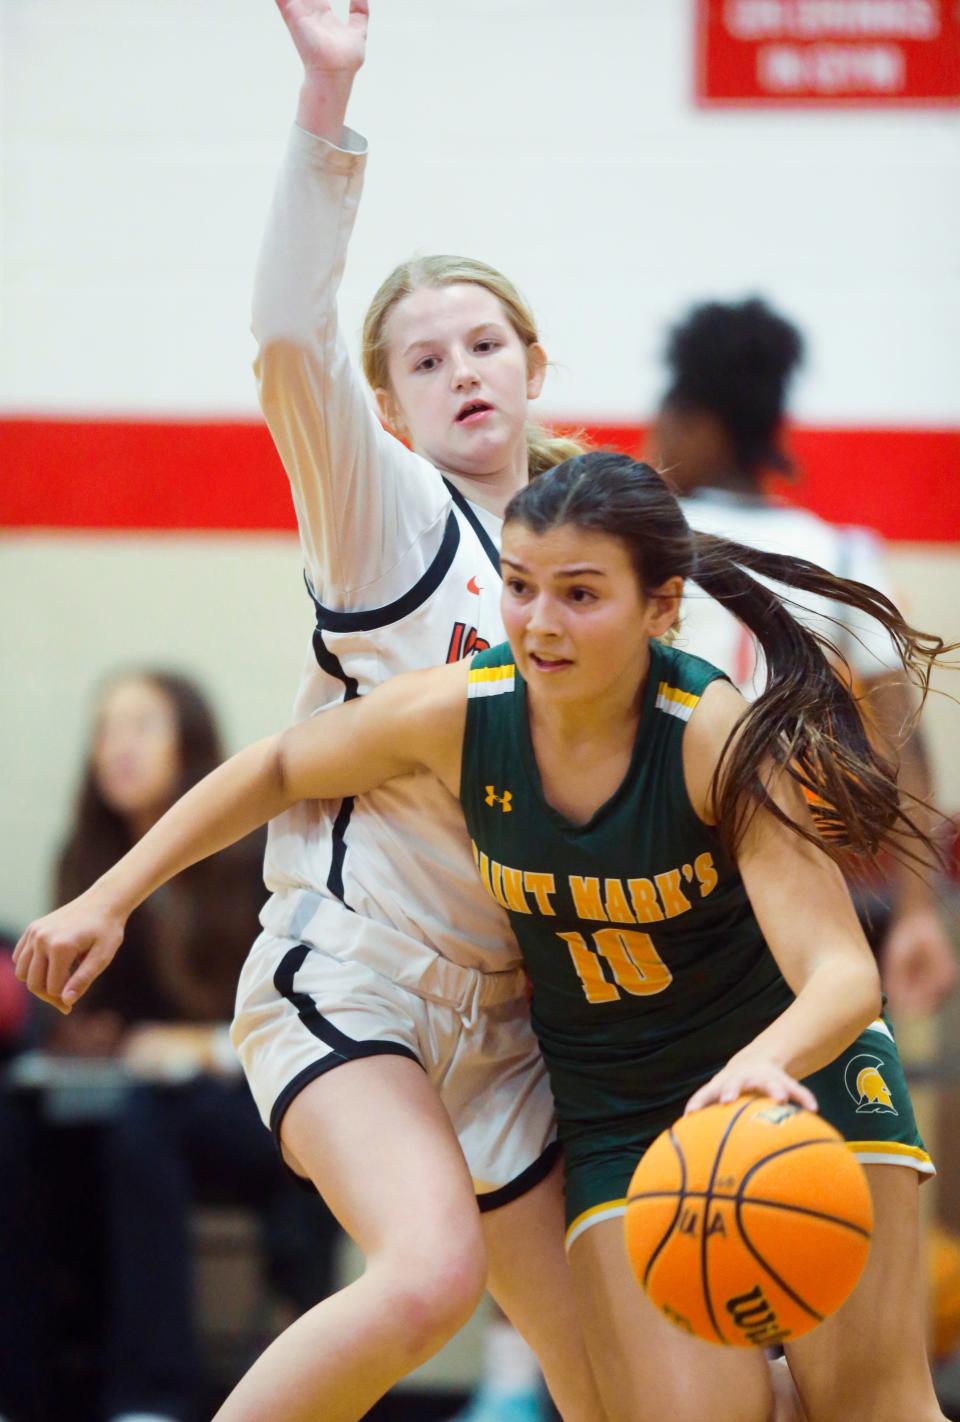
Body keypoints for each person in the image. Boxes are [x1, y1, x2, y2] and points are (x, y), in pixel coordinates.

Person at [16, 452, 957, 1422]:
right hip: (624, 1118)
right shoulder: (469, 711)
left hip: (794, 1077)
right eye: (519, 587)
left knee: (869, 1404)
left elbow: (844, 976)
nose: (541, 623)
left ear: (662, 608)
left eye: (581, 594)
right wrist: (110, 897)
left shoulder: (714, 736)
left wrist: (757, 1068)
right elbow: (282, 767)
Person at [35, 3, 603, 1420]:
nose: (463, 368)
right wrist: (326, 97)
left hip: (511, 1023)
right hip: (353, 979)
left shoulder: (595, 566)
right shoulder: (391, 518)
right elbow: (290, 334)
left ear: (535, 364)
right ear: (391, 411)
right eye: (425, 359)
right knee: (424, 1278)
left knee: (628, 1382)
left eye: (485, 342)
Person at [28, 670, 338, 1422]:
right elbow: (95, 1022)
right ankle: (30, 1387)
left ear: (190, 744)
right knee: (29, 1133)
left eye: (141, 727)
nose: (118, 748)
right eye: (107, 730)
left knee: (150, 1125)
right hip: (137, 1105)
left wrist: (185, 1048)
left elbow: (305, 1005)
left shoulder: (249, 856)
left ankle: (152, 1399)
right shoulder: (86, 858)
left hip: (251, 1098)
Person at [651, 295, 957, 1019]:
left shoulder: (643, 541)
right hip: (799, 886)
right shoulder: (843, 552)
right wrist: (917, 912)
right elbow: (906, 750)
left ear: (700, 422)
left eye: (664, 421)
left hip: (656, 877)